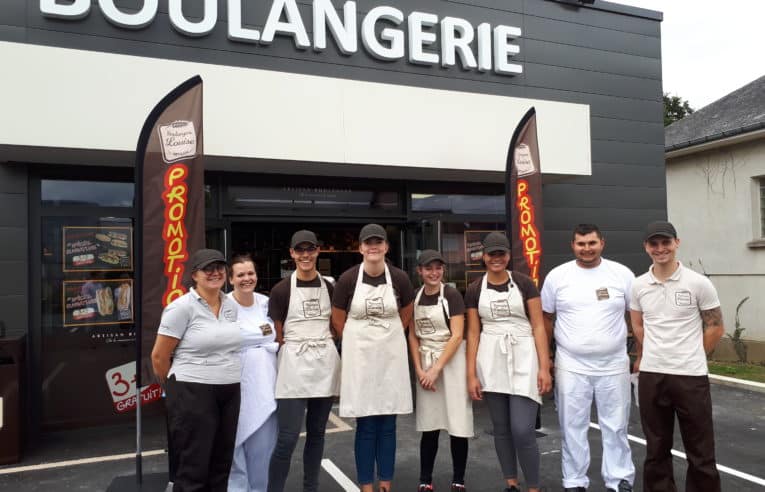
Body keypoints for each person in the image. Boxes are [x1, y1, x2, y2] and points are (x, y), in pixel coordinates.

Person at [630, 221, 724, 492]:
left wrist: (692, 353)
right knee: (656, 448)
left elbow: (716, 326)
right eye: (654, 244)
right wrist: (653, 351)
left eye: (666, 243)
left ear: (677, 243)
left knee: (701, 451)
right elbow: (637, 324)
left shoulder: (698, 283)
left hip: (690, 376)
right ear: (646, 247)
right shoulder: (639, 286)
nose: (660, 249)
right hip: (652, 375)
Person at [540, 224, 635, 492]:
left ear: (602, 243)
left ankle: (619, 480)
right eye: (581, 244)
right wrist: (547, 356)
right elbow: (546, 318)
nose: (587, 248)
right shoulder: (558, 277)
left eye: (592, 243)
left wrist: (639, 352)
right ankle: (574, 481)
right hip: (571, 364)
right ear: (573, 246)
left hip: (614, 362)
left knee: (615, 425)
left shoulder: (621, 274)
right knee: (572, 426)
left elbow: (636, 315)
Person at [465, 232, 552, 492]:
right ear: (483, 256)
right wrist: (471, 374)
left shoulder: (525, 284)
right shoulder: (474, 289)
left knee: (522, 430)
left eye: (501, 253)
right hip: (490, 360)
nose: (496, 258)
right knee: (501, 428)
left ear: (508, 255)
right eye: (491, 253)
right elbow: (472, 333)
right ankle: (511, 484)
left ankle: (533, 487)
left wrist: (544, 367)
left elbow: (538, 326)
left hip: (524, 358)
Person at [331, 223, 415, 492]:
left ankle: (385, 483)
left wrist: (385, 337)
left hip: (391, 358)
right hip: (360, 359)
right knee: (365, 423)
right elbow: (338, 319)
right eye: (368, 243)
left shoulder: (400, 278)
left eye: (378, 242)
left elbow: (406, 313)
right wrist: (360, 341)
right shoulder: (347, 279)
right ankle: (366, 484)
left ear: (386, 247)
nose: (373, 247)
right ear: (360, 248)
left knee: (388, 424)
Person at [151, 248, 241, 492]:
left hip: (230, 388)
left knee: (221, 461)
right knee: (194, 464)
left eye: (220, 267)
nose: (215, 273)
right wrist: (177, 389)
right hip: (193, 390)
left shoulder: (231, 305)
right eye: (208, 269)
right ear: (195, 275)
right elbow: (159, 357)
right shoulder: (181, 308)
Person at [267, 230, 341, 492]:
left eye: (310, 250)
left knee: (317, 435)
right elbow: (277, 335)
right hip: (294, 365)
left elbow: (336, 325)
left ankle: (311, 487)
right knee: (287, 438)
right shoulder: (281, 290)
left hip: (323, 363)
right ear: (292, 254)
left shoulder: (330, 287)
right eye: (300, 250)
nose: (305, 255)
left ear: (318, 251)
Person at [408, 250, 473, 492]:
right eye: (428, 268)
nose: (434, 273)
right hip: (425, 363)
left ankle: (459, 479)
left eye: (438, 268)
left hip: (451, 363)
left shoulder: (452, 295)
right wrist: (419, 369)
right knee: (430, 425)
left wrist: (436, 369)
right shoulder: (415, 298)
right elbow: (413, 336)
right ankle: (425, 479)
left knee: (458, 423)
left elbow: (457, 336)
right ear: (420, 271)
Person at [227, 253, 279, 492]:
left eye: (250, 273)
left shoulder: (265, 302)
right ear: (231, 279)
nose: (246, 278)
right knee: (235, 446)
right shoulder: (223, 305)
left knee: (263, 450)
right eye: (240, 275)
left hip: (266, 385)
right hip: (235, 385)